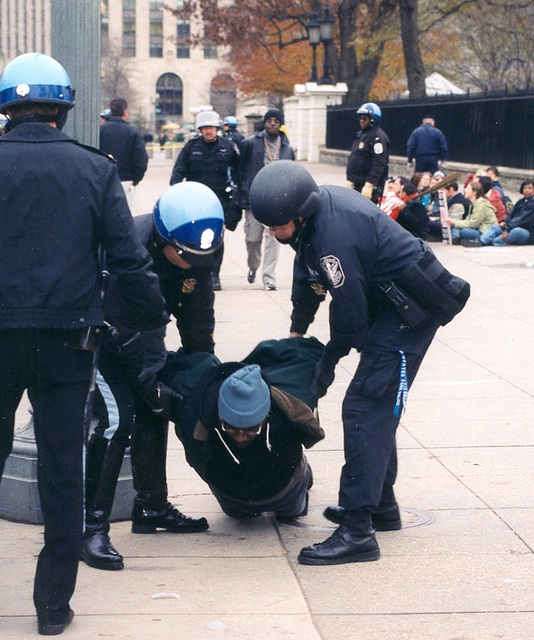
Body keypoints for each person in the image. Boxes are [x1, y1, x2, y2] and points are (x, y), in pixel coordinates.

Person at [0, 52, 167, 635]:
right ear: (63, 112)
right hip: (69, 343)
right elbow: (129, 261)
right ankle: (51, 608)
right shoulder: (95, 170)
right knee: (63, 472)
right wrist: (153, 317)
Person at [249, 160, 470, 566]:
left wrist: (327, 363)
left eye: (276, 225)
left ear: (299, 214)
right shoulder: (310, 221)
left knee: (365, 407)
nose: (271, 231)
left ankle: (357, 530)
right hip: (386, 305)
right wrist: (297, 334)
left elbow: (349, 315)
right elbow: (308, 279)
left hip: (410, 312)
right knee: (376, 407)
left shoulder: (335, 234)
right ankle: (382, 507)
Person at [82, 181, 224, 572]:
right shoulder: (126, 250)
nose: (196, 263)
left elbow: (197, 312)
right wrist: (149, 383)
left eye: (205, 256)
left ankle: (151, 507)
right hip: (102, 338)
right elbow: (125, 335)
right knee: (117, 420)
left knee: (157, 408)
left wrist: (202, 371)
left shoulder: (198, 249)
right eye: (187, 256)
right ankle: (89, 526)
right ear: (163, 241)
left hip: (143, 339)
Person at [190, 363, 324, 521]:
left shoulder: (285, 414)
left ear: (266, 416)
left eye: (251, 429)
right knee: (237, 515)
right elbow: (195, 457)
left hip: (284, 490)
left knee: (291, 512)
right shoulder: (205, 420)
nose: (240, 437)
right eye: (231, 428)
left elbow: (312, 431)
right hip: (234, 498)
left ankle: (305, 474)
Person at [170, 110, 240, 291]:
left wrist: (237, 202)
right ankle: (196, 271)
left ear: (217, 128)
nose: (208, 131)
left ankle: (214, 274)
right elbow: (178, 172)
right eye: (205, 128)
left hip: (219, 200)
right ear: (200, 130)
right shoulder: (191, 147)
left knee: (217, 238)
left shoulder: (228, 147)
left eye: (211, 128)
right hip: (196, 200)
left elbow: (240, 174)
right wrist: (176, 193)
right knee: (193, 237)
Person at [239, 108, 295, 290]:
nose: (272, 123)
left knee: (273, 239)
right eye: (269, 120)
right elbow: (241, 169)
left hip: (277, 200)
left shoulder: (286, 147)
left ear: (280, 124)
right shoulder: (250, 143)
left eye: (276, 121)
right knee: (253, 239)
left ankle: (269, 277)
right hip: (255, 198)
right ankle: (253, 266)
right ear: (264, 123)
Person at [99, 97, 149, 214]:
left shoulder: (100, 131)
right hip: (126, 181)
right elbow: (141, 161)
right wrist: (135, 180)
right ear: (125, 112)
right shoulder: (133, 133)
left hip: (103, 181)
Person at [346, 102, 390, 204]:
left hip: (366, 184)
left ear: (372, 120)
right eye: (360, 118)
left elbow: (379, 163)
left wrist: (370, 184)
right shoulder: (362, 134)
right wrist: (351, 179)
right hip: (356, 183)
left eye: (364, 119)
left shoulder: (378, 137)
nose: (361, 121)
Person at [480, 180, 534, 246]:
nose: (526, 190)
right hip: (511, 227)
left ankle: (494, 242)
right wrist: (505, 221)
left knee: (516, 231)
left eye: (529, 188)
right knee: (494, 228)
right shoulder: (521, 201)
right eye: (525, 188)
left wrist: (508, 228)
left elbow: (521, 219)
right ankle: (481, 241)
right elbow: (511, 213)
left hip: (526, 232)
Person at [445, 179, 497, 245]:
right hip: (477, 229)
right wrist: (455, 222)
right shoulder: (473, 204)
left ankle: (455, 238)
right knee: (457, 227)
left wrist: (455, 222)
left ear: (474, 192)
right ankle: (456, 238)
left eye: (467, 188)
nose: (464, 190)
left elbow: (473, 224)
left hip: (484, 231)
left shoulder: (481, 205)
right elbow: (467, 221)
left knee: (462, 231)